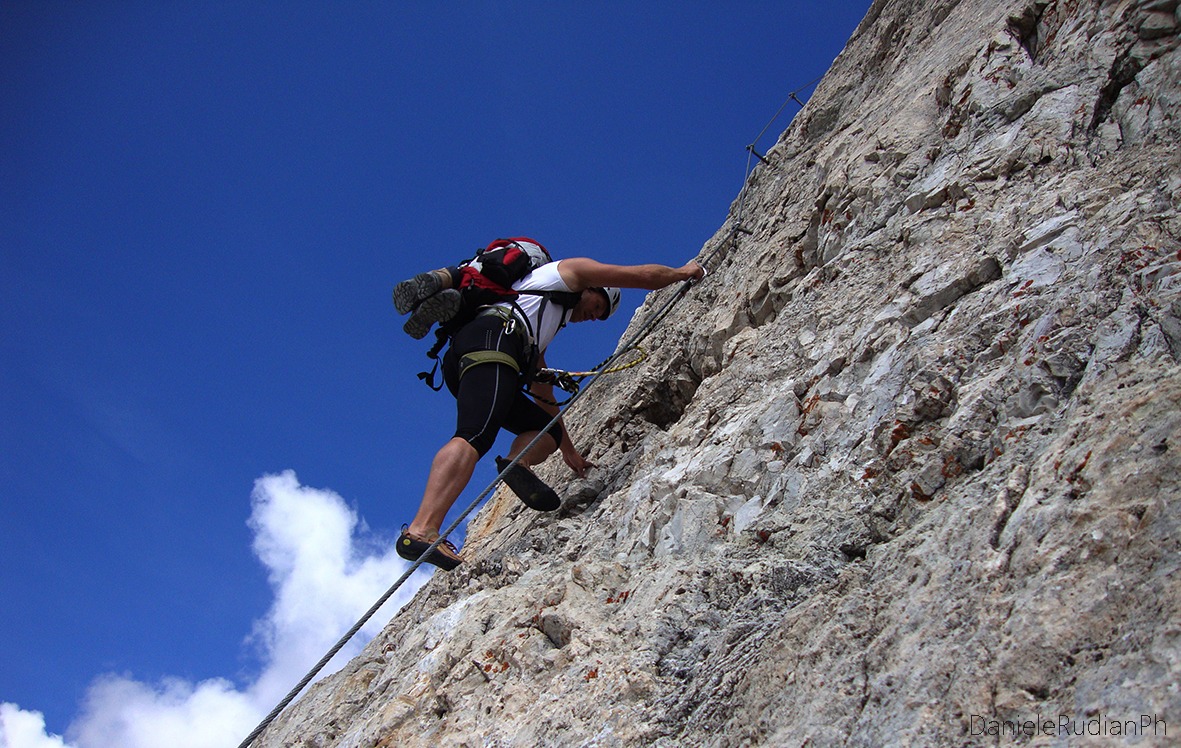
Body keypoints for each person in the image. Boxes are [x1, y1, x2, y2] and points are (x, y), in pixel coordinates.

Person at [394, 254, 706, 570]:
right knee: (475, 435)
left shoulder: (540, 322)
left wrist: (567, 450)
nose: (594, 317)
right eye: (599, 307)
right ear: (593, 287)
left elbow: (544, 395)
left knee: (546, 431)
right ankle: (422, 529)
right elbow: (640, 274)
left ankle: (519, 463)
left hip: (477, 353)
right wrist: (682, 272)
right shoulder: (568, 272)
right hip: (494, 340)